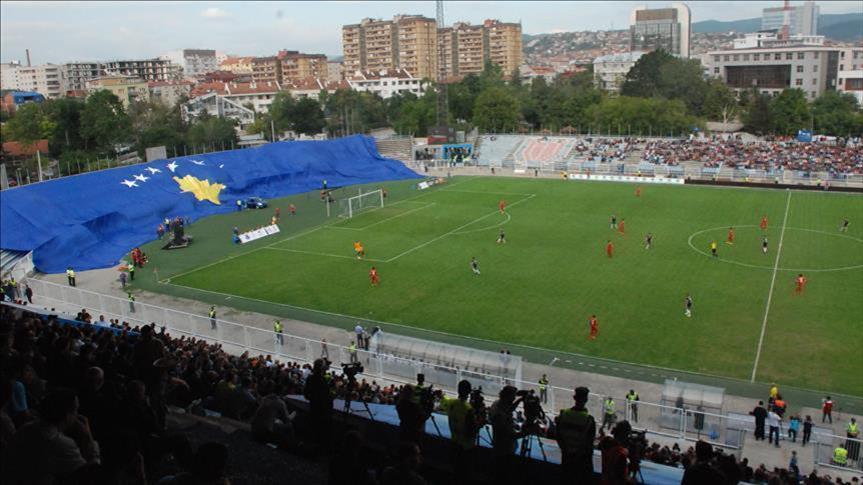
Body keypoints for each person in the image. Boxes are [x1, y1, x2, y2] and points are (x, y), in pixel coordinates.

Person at [7, 388, 101, 484]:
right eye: (75, 410)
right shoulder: (59, 443)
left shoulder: (26, 428)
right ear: (67, 415)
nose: (77, 414)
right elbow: (89, 476)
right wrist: (88, 435)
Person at [556, 386, 596, 485]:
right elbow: (589, 444)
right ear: (586, 399)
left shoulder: (563, 414)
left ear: (574, 398)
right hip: (580, 462)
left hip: (566, 458)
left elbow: (558, 436)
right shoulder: (589, 420)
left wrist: (565, 450)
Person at [439, 380, 478, 480]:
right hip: (466, 448)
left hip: (454, 443)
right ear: (469, 392)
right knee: (465, 475)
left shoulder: (451, 403)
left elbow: (444, 400)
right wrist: (481, 422)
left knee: (455, 473)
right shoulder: (469, 409)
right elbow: (472, 431)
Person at [488, 386, 522, 482]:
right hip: (504, 452)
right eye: (512, 398)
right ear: (507, 397)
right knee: (503, 477)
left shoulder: (497, 404)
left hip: (500, 449)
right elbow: (511, 436)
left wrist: (520, 400)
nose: (513, 400)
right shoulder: (499, 414)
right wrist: (528, 431)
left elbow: (508, 409)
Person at [303, 359, 333, 450]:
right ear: (322, 368)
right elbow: (328, 397)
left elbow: (306, 395)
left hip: (313, 408)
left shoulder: (310, 378)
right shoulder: (323, 380)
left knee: (313, 430)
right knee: (320, 432)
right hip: (323, 411)